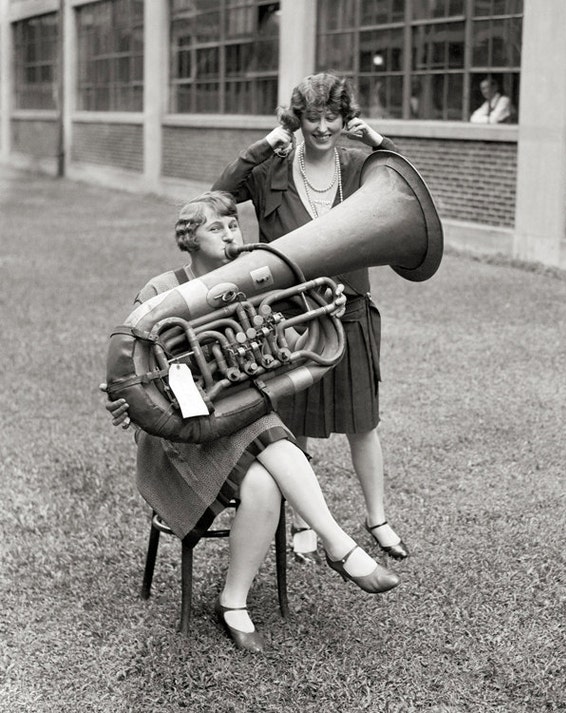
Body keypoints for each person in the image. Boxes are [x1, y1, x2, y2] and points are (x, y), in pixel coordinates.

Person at [101, 191, 399, 655]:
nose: (229, 233)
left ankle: (233, 602)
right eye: (214, 228)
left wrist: (325, 314)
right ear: (188, 240)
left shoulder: (252, 283)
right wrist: (124, 403)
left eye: (232, 225)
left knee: (264, 478)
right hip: (179, 441)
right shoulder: (161, 292)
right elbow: (127, 367)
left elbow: (287, 344)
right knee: (265, 424)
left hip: (235, 420)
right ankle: (341, 547)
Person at [212, 72, 409, 563]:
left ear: (346, 118)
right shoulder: (271, 169)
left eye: (332, 117)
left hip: (352, 308)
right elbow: (219, 194)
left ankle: (377, 518)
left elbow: (406, 186)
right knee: (292, 418)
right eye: (312, 118)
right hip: (289, 315)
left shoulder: (361, 164)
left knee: (363, 422)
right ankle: (303, 521)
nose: (322, 127)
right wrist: (262, 147)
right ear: (296, 120)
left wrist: (380, 142)